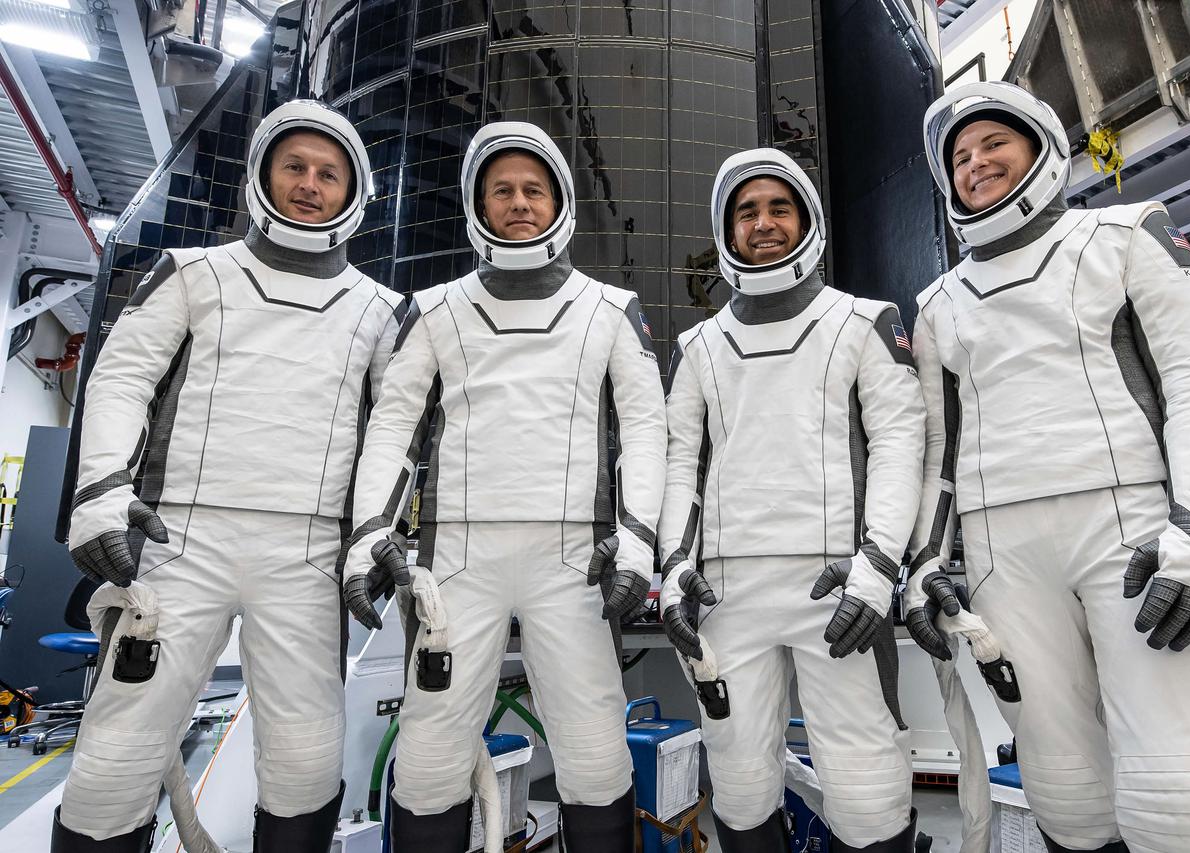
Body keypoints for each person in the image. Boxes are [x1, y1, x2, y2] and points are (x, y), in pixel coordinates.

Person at [904, 81, 1190, 853]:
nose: (976, 164)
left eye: (992, 143)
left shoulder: (1128, 234)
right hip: (1005, 556)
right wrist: (925, 559)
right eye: (960, 158)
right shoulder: (939, 303)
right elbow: (939, 450)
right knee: (1067, 792)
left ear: (1040, 147)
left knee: (1180, 795)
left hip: (1132, 537)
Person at [56, 100, 405, 852]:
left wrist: (375, 531)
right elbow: (122, 381)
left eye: (328, 174)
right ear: (263, 175)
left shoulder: (380, 310)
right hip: (181, 539)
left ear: (354, 192)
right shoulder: (192, 274)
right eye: (295, 168)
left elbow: (400, 429)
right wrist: (102, 494)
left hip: (308, 555)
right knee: (115, 758)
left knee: (306, 761)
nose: (310, 186)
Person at [341, 121, 666, 851]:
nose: (519, 203)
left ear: (558, 201)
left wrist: (640, 540)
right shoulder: (434, 308)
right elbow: (391, 426)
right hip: (456, 563)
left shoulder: (611, 309)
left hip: (573, 563)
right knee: (428, 760)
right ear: (478, 204)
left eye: (533, 189)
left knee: (594, 754)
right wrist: (369, 534)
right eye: (502, 191)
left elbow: (648, 431)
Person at [658, 147, 926, 852]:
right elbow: (679, 464)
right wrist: (672, 568)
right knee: (742, 793)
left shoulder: (865, 321)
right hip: (727, 594)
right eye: (747, 211)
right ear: (727, 230)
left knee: (869, 794)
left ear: (807, 218)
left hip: (839, 591)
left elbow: (901, 446)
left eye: (781, 207)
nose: (765, 223)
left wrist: (877, 569)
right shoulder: (698, 347)